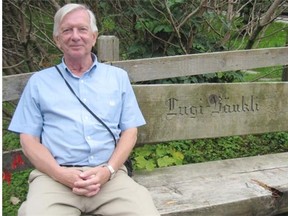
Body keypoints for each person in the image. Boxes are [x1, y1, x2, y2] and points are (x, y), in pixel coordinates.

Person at [9, 3, 160, 216]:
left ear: (94, 36)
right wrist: (60, 174)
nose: (75, 36)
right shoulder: (39, 83)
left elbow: (130, 132)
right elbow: (28, 140)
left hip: (109, 177)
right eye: (67, 30)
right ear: (57, 40)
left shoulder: (117, 78)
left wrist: (108, 171)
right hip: (55, 180)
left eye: (82, 29)